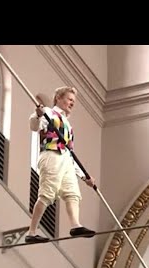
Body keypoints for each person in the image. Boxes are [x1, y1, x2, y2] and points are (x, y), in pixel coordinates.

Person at [25, 86, 96, 243]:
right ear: (58, 98)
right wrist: (37, 115)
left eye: (73, 101)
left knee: (72, 193)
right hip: (51, 156)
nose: (72, 103)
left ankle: (76, 225)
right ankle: (32, 231)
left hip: (65, 159)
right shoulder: (49, 113)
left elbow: (69, 152)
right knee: (47, 193)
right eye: (69, 99)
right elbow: (34, 126)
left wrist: (85, 177)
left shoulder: (67, 124)